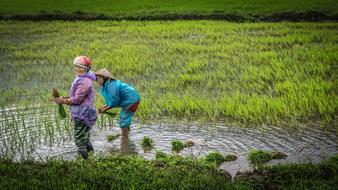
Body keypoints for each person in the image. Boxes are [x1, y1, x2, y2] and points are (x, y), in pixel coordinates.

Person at [54, 56, 97, 159]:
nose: (77, 69)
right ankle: (91, 158)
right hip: (84, 112)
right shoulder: (83, 78)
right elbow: (76, 97)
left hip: (82, 114)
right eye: (76, 66)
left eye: (80, 67)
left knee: (79, 140)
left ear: (86, 68)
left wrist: (63, 101)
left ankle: (84, 162)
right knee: (85, 138)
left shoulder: (84, 81)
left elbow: (78, 99)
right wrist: (64, 98)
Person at [94, 68, 140, 137]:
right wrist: (104, 107)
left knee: (123, 120)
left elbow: (114, 100)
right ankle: (126, 135)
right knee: (124, 119)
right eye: (96, 79)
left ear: (105, 78)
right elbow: (110, 100)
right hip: (129, 101)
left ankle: (125, 138)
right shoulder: (106, 86)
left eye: (99, 78)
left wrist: (106, 109)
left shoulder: (111, 85)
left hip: (131, 101)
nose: (98, 81)